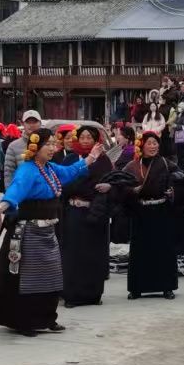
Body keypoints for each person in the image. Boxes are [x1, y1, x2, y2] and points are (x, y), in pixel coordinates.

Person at [0, 126, 101, 334]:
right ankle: (25, 321)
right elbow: (17, 189)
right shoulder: (27, 170)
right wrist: (1, 206)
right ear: (35, 147)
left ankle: (47, 317)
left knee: (52, 276)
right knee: (29, 279)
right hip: (29, 231)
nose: (52, 148)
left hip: (49, 231)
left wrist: (91, 158)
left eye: (54, 144)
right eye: (48, 144)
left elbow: (70, 171)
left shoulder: (50, 168)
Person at [59, 125, 115, 307]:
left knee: (94, 253)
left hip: (95, 212)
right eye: (82, 137)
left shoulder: (104, 160)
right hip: (74, 211)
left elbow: (112, 181)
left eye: (89, 137)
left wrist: (108, 187)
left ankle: (93, 294)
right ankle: (71, 295)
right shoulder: (70, 159)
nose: (85, 141)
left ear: (95, 140)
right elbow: (63, 184)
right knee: (73, 253)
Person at [121, 129, 178, 299]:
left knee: (164, 249)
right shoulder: (132, 166)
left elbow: (180, 177)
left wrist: (172, 189)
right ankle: (137, 288)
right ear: (142, 146)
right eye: (149, 143)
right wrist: (132, 190)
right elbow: (121, 184)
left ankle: (167, 287)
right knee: (140, 250)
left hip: (161, 210)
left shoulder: (166, 163)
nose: (153, 146)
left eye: (155, 143)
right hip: (141, 211)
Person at [3, 110, 44, 188]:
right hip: (22, 191)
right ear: (23, 124)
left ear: (40, 123)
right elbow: (8, 172)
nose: (31, 125)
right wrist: (10, 192)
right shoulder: (13, 146)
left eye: (34, 122)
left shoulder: (47, 144)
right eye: (28, 122)